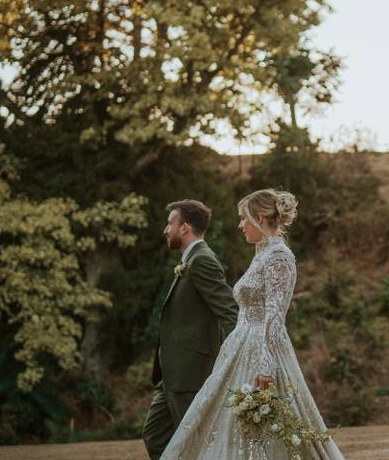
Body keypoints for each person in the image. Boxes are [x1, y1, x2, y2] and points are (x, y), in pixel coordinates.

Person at [160, 188, 345, 459]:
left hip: (262, 351)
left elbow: (274, 316)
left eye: (243, 218)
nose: (240, 225)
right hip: (239, 346)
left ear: (259, 217)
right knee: (226, 423)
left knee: (268, 429)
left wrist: (266, 367)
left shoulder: (279, 257)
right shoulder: (261, 255)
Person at [143, 199, 239, 460]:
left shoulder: (203, 261)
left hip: (192, 373)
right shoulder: (190, 260)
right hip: (171, 374)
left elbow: (229, 312)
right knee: (155, 436)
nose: (166, 229)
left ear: (184, 227)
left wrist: (233, 361)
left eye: (170, 223)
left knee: (198, 444)